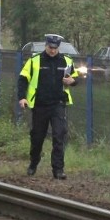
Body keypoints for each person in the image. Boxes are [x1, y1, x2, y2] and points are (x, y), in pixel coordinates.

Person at [18, 33, 79, 180]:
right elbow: (22, 79)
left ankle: (58, 169)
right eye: (50, 47)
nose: (52, 50)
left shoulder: (66, 61)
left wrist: (72, 81)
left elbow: (74, 79)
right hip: (39, 104)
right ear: (46, 45)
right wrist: (22, 98)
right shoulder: (34, 61)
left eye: (55, 48)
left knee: (59, 135)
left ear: (58, 47)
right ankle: (34, 162)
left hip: (58, 104)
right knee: (37, 137)